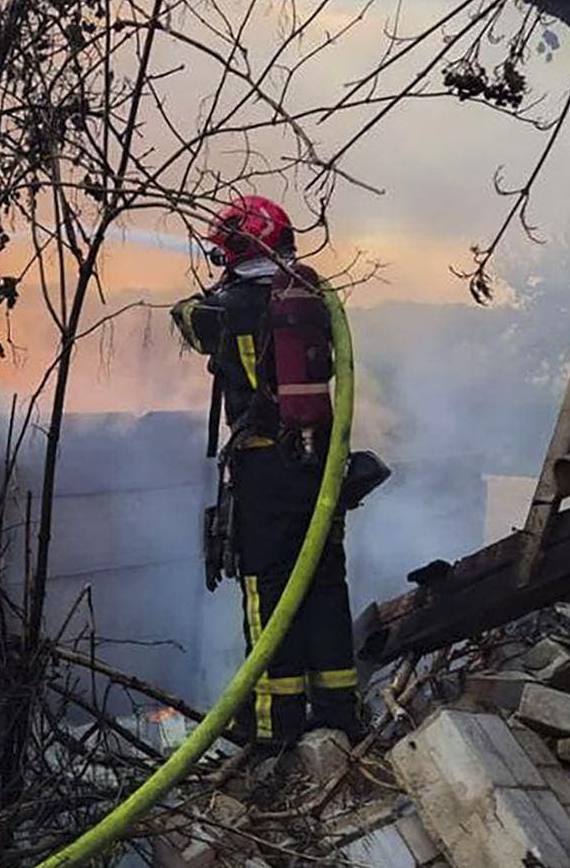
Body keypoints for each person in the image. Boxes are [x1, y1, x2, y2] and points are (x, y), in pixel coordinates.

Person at [170, 195, 381, 746]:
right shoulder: (310, 298)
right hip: (319, 466)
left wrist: (219, 283)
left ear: (236, 249)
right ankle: (338, 710)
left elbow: (185, 318)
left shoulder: (225, 309)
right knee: (324, 582)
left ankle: (272, 723)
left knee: (268, 591)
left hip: (264, 467)